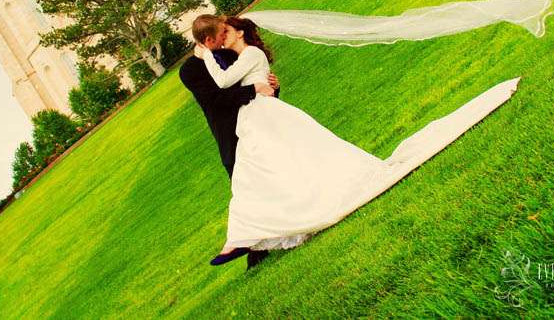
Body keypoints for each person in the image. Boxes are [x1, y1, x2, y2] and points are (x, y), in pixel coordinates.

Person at [193, 16, 521, 266]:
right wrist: (256, 83)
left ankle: (246, 235)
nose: (223, 38)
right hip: (258, 117)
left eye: (226, 32)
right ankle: (247, 235)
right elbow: (241, 85)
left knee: (263, 169)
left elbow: (225, 82)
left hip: (263, 116)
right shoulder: (241, 57)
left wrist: (207, 55)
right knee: (269, 168)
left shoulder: (248, 53)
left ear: (239, 33)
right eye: (219, 35)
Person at [179, 14, 280, 270]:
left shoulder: (230, 54)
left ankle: (279, 233)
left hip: (256, 123)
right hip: (229, 133)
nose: (226, 36)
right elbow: (216, 100)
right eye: (222, 34)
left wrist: (271, 86)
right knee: (244, 186)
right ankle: (254, 248)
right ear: (209, 40)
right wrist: (253, 90)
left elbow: (255, 79)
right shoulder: (190, 70)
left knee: (274, 174)